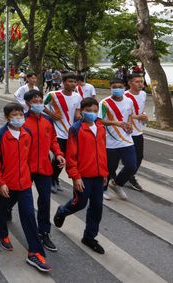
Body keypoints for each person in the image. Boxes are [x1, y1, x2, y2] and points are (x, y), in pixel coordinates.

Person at [0, 102, 52, 273]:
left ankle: (35, 252)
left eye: (20, 114)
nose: (18, 117)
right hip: (5, 183)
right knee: (2, 211)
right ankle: (2, 235)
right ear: (7, 117)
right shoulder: (0, 135)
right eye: (14, 115)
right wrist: (0, 182)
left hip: (24, 182)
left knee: (28, 215)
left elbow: (30, 158)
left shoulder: (27, 133)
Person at [54, 97, 108, 255]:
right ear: (82, 111)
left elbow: (103, 152)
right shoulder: (76, 129)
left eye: (94, 111)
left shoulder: (100, 126)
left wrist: (105, 173)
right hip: (83, 176)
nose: (91, 113)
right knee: (80, 203)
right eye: (88, 111)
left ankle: (89, 237)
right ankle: (62, 211)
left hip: (98, 176)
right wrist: (75, 176)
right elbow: (71, 155)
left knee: (97, 207)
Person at [24, 89, 65, 252]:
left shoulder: (48, 121)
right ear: (28, 103)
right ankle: (6, 210)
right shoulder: (22, 121)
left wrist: (59, 153)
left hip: (44, 167)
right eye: (35, 101)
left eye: (40, 101)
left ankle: (44, 232)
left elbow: (53, 140)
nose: (39, 103)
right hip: (25, 168)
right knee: (20, 199)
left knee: (45, 200)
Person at [43, 73, 81, 192]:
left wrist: (80, 116)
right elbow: (41, 105)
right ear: (63, 83)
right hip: (56, 131)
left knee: (66, 158)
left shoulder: (77, 96)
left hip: (70, 131)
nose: (73, 84)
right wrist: (51, 114)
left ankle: (54, 178)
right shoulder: (52, 95)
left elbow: (77, 112)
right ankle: (51, 180)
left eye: (75, 82)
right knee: (60, 156)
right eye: (70, 81)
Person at [99, 79, 136, 201]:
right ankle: (103, 189)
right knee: (110, 169)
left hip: (126, 139)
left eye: (120, 86)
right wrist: (114, 122)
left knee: (131, 166)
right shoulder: (104, 103)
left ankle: (117, 184)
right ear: (110, 88)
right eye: (114, 87)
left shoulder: (129, 100)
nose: (117, 89)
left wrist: (130, 125)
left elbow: (129, 116)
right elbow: (99, 120)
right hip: (110, 141)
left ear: (124, 87)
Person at [124, 73, 148, 192]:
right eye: (137, 81)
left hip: (138, 131)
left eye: (142, 82)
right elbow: (121, 114)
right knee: (122, 158)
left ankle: (130, 176)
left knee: (139, 157)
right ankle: (110, 179)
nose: (140, 84)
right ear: (130, 83)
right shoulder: (124, 96)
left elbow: (140, 110)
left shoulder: (143, 94)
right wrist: (138, 116)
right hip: (125, 131)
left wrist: (143, 117)